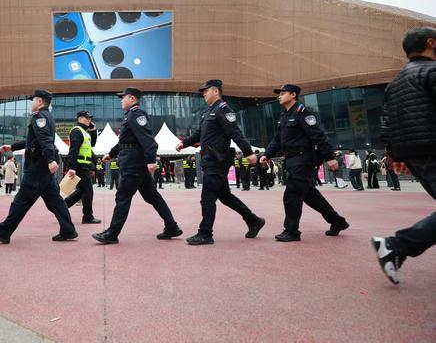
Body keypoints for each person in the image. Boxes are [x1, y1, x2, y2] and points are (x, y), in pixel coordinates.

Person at [372, 26, 436, 284]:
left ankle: (396, 248)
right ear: (431, 43)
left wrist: (395, 155)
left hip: (414, 154)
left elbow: (386, 124)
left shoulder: (395, 83)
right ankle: (396, 246)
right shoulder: (431, 71)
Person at [176, 79, 265, 245]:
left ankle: (205, 233)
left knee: (207, 197)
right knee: (225, 196)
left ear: (216, 91)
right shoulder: (208, 113)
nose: (203, 93)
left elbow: (235, 132)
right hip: (210, 160)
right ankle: (253, 220)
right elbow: (198, 135)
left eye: (206, 90)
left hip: (217, 161)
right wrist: (184, 143)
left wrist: (248, 152)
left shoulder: (223, 110)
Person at [0, 89, 78, 244]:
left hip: (37, 168)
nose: (32, 103)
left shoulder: (39, 117)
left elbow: (45, 140)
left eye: (33, 100)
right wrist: (12, 147)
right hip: (43, 170)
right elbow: (33, 141)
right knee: (56, 202)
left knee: (21, 201)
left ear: (40, 101)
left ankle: (4, 232)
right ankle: (68, 230)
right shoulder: (48, 117)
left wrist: (50, 160)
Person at [93, 87, 182, 244]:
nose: (121, 101)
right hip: (134, 162)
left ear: (132, 99)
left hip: (133, 164)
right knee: (152, 196)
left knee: (123, 196)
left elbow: (148, 139)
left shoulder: (136, 114)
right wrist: (111, 154)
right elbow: (124, 141)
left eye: (123, 97)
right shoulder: (130, 115)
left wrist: (151, 160)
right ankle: (172, 226)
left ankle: (112, 233)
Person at [260, 84, 349, 242]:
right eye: (279, 94)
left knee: (292, 195)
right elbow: (277, 139)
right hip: (291, 160)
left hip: (303, 159)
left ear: (293, 94)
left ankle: (291, 231)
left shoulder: (303, 112)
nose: (279, 96)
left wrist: (330, 157)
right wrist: (267, 154)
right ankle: (338, 222)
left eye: (283, 93)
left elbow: (318, 135)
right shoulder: (285, 115)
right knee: (310, 196)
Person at [63, 110, 101, 224]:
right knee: (88, 190)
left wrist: (93, 130)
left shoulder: (85, 132)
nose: (89, 120)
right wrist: (72, 167)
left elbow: (92, 144)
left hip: (85, 165)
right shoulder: (77, 131)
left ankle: (61, 207)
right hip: (80, 165)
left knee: (81, 191)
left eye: (90, 118)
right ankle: (87, 217)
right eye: (87, 118)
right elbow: (73, 150)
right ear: (80, 119)